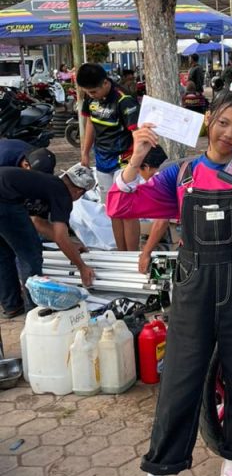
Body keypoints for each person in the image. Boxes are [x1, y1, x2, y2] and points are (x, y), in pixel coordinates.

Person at [104, 93, 232, 476]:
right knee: (179, 382)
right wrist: (136, 157)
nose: (228, 134)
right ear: (209, 121)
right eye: (223, 123)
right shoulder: (181, 173)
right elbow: (121, 206)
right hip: (193, 289)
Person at [0, 163, 95, 318]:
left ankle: (12, 305)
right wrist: (82, 267)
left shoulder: (48, 184)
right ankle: (34, 311)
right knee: (30, 255)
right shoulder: (62, 194)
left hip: (4, 194)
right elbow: (60, 236)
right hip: (5, 201)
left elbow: (38, 222)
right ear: (79, 191)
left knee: (4, 254)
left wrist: (70, 244)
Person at [76, 63, 141, 251]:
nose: (91, 95)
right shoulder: (90, 98)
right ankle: (121, 253)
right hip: (102, 161)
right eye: (87, 92)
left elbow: (137, 135)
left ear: (105, 83)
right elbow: (90, 123)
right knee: (113, 211)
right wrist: (85, 153)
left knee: (127, 211)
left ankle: (131, 255)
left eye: (94, 91)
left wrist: (135, 165)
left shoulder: (124, 100)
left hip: (124, 162)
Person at [135, 146, 172, 276]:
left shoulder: (160, 180)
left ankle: (161, 277)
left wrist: (146, 253)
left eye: (139, 170)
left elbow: (162, 222)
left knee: (158, 245)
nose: (139, 174)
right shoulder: (172, 168)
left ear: (147, 167)